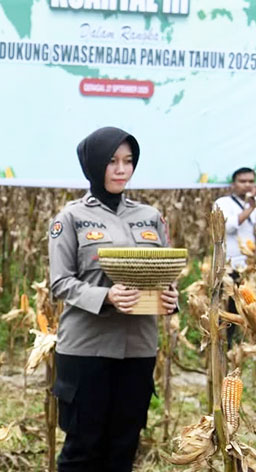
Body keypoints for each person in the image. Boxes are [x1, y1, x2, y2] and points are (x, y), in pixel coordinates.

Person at [48, 127, 179, 472]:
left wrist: (170, 297)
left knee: (124, 447)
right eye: (112, 161)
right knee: (83, 448)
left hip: (138, 348)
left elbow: (162, 274)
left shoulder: (149, 216)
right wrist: (106, 295)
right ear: (93, 164)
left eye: (128, 161)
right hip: (87, 348)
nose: (122, 169)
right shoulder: (71, 218)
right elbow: (60, 283)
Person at [214, 167, 255, 339]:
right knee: (229, 308)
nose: (247, 185)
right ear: (233, 184)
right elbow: (228, 227)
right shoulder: (222, 203)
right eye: (242, 181)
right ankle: (226, 344)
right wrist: (250, 208)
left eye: (251, 181)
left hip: (251, 266)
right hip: (230, 266)